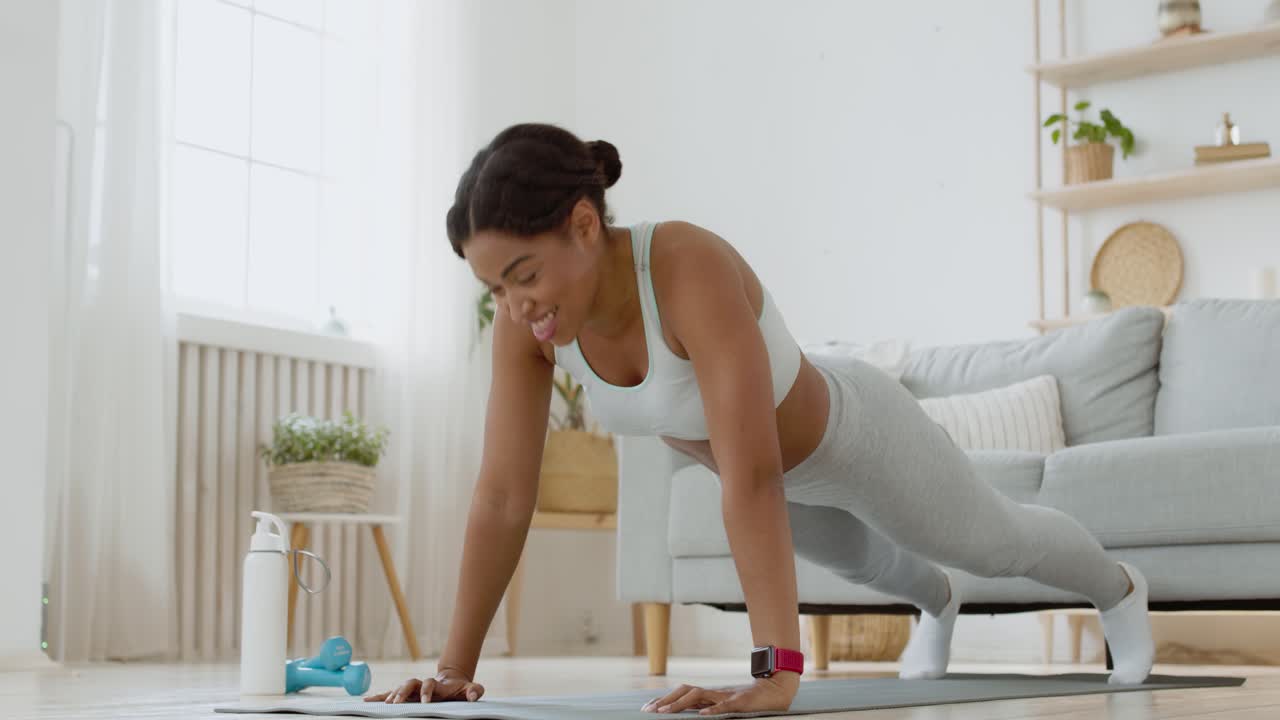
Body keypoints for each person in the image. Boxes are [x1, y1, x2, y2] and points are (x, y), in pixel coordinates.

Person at [364, 123, 1154, 715]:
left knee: (991, 541)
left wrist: (775, 670)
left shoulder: (681, 264)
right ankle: (937, 605)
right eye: (494, 289)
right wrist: (452, 670)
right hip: (778, 478)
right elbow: (503, 496)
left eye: (523, 275)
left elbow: (751, 471)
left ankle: (1118, 587)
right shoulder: (528, 328)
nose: (514, 306)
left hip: (855, 437)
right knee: (873, 568)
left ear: (581, 224)